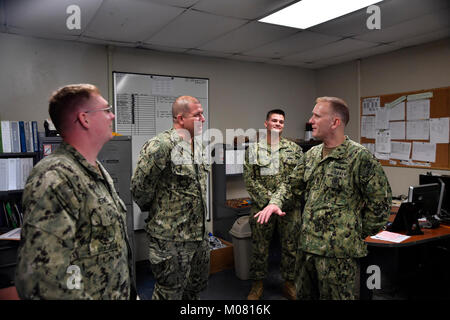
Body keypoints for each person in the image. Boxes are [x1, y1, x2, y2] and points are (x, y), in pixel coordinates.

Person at [255, 97, 392, 300]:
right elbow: (291, 185)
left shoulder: (359, 157)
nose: (311, 120)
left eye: (317, 116)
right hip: (307, 250)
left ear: (335, 122)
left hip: (338, 257)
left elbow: (380, 204)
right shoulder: (311, 155)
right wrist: (275, 202)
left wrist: (353, 233)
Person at [15, 84, 136, 299]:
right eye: (106, 110)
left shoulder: (95, 170)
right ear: (85, 119)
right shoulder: (55, 176)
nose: (112, 116)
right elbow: (40, 282)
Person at [130, 95, 210, 300]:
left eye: (202, 114)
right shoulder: (160, 145)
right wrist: (162, 214)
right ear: (180, 118)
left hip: (198, 238)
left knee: (193, 292)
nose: (203, 118)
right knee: (169, 293)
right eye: (197, 115)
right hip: (171, 240)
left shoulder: (199, 147)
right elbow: (139, 189)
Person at [243, 109, 303, 300]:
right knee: (259, 247)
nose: (278, 124)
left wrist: (280, 201)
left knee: (291, 248)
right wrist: (270, 202)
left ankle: (289, 283)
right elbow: (250, 180)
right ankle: (257, 285)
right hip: (262, 208)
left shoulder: (294, 150)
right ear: (266, 123)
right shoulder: (253, 150)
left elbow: (297, 180)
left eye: (281, 122)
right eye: (274, 120)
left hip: (289, 208)